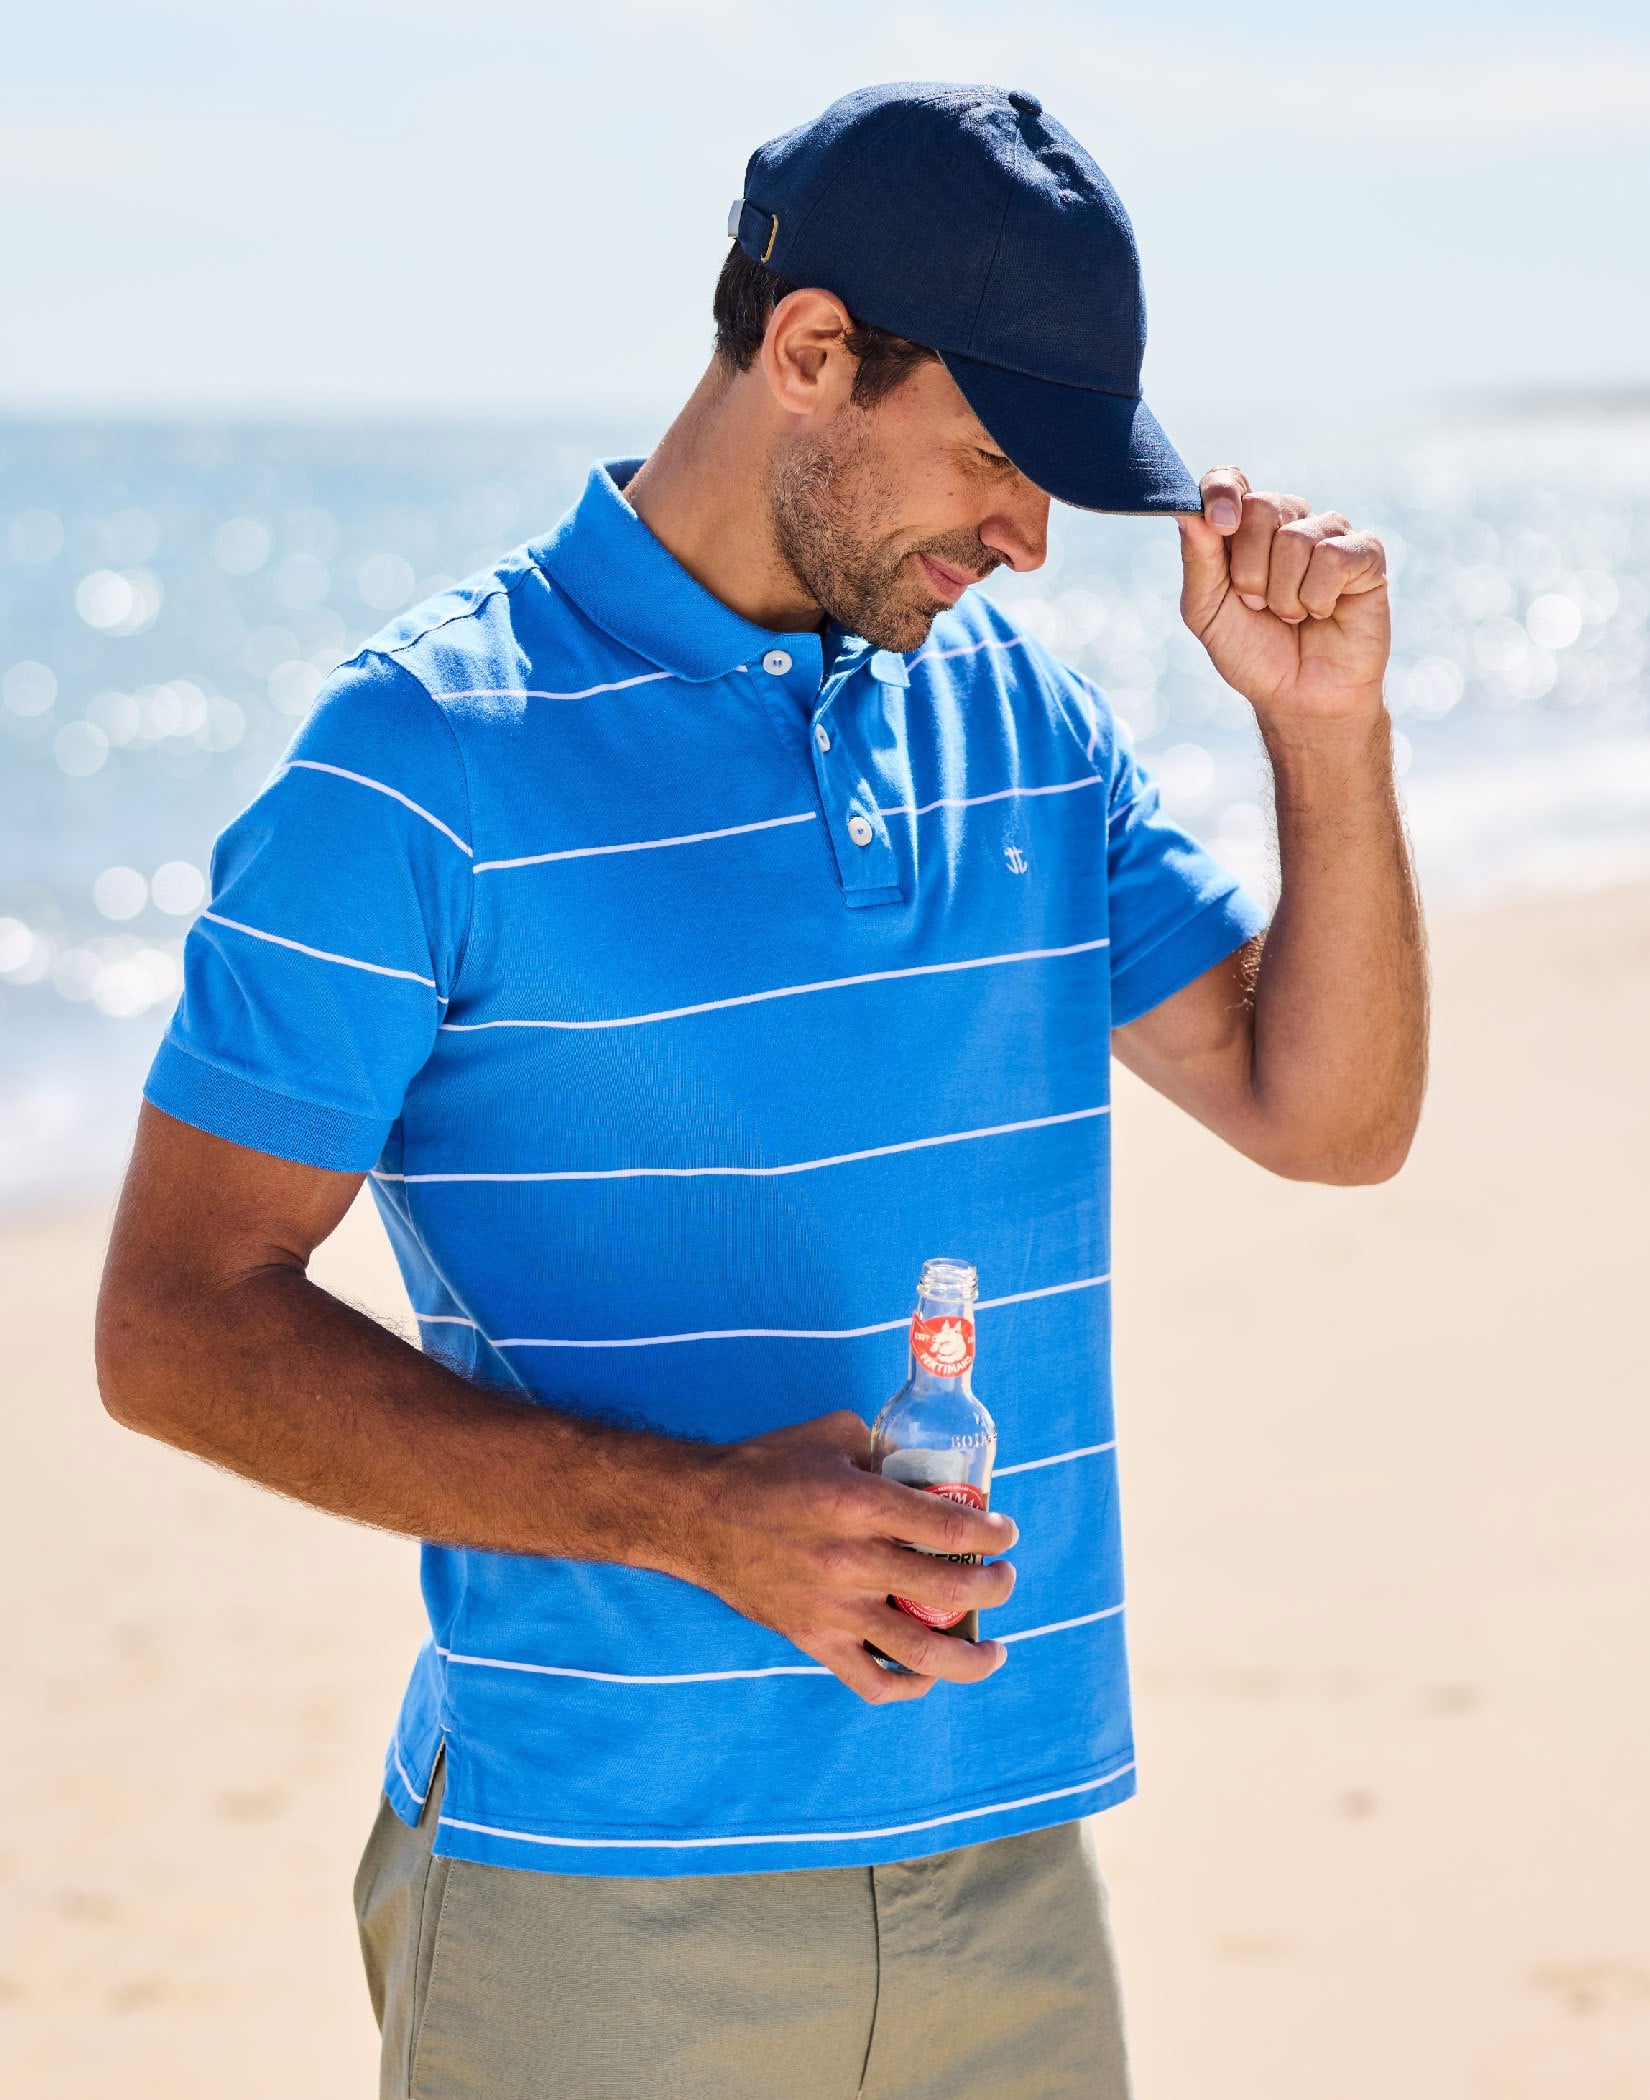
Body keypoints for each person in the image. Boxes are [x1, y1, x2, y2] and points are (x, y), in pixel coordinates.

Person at [95, 81, 1427, 2100]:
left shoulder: (1024, 723)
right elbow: (172, 1326)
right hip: (599, 1885)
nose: (1029, 538)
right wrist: (693, 1519)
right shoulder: (418, 761)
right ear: (809, 355)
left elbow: (1325, 1117)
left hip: (1006, 1857)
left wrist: (1329, 738)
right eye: (993, 456)